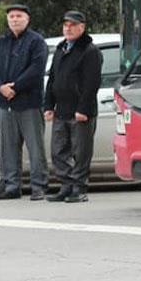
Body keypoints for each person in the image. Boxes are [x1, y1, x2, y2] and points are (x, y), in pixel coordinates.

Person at [0, 4, 49, 200]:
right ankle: (12, 186)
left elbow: (37, 69)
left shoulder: (36, 42)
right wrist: (1, 87)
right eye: (11, 16)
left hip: (29, 102)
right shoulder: (0, 42)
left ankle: (38, 186)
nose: (14, 19)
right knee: (8, 148)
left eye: (19, 16)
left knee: (35, 148)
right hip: (6, 104)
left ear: (27, 19)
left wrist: (15, 87)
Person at [44, 11, 102, 203]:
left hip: (80, 111)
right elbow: (52, 79)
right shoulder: (61, 48)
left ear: (82, 27)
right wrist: (48, 104)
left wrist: (83, 109)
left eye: (72, 25)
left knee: (81, 151)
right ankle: (66, 185)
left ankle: (79, 187)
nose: (68, 28)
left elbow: (92, 83)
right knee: (58, 150)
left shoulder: (90, 50)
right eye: (65, 25)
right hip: (61, 109)